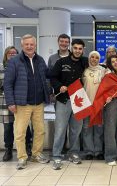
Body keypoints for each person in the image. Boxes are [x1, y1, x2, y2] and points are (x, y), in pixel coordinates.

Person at [4, 35, 50, 170]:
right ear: (22, 45)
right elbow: (8, 84)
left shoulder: (40, 60)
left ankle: (36, 154)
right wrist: (11, 102)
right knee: (20, 132)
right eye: (27, 44)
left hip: (38, 103)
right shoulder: (15, 61)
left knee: (40, 130)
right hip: (22, 103)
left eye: (32, 44)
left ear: (35, 45)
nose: (29, 47)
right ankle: (22, 157)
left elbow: (46, 78)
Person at [50, 39, 88, 170]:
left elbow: (96, 68)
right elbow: (52, 77)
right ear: (72, 48)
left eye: (80, 49)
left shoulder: (85, 62)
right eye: (75, 48)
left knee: (76, 129)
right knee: (60, 129)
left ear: (83, 50)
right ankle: (56, 155)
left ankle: (73, 153)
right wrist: (59, 86)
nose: (78, 51)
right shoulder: (61, 62)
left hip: (79, 100)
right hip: (63, 100)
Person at [92, 55, 117, 166]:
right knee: (110, 130)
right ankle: (110, 156)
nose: (115, 62)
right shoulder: (108, 76)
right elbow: (103, 90)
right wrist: (107, 97)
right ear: (110, 65)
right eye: (112, 62)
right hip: (111, 103)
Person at [0, 46, 33, 162]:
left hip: (21, 100)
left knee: (24, 126)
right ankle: (8, 150)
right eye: (10, 53)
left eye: (15, 53)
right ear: (6, 55)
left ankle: (28, 147)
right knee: (8, 127)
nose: (12, 55)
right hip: (5, 102)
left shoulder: (22, 66)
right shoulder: (1, 68)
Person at [81, 51, 105, 160]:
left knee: (99, 128)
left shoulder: (103, 71)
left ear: (99, 59)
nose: (94, 59)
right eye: (92, 57)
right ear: (89, 58)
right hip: (86, 104)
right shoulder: (84, 71)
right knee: (87, 128)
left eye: (96, 57)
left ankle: (99, 151)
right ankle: (89, 151)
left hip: (99, 104)